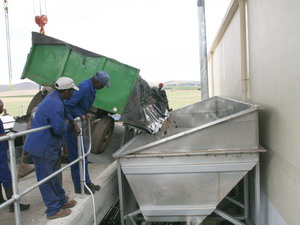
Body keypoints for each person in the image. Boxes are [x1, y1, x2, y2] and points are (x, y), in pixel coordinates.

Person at [23, 77, 79, 219]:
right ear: (65, 91)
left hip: (48, 145)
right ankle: (53, 210)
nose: (73, 93)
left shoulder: (55, 97)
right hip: (42, 147)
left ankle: (61, 200)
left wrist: (72, 121)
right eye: (72, 91)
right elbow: (58, 129)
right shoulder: (55, 104)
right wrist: (68, 124)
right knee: (46, 179)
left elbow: (64, 111)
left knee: (53, 176)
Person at [64, 71, 110, 195]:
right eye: (103, 85)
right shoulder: (84, 87)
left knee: (83, 155)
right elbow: (68, 104)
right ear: (98, 82)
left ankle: (87, 182)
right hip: (72, 127)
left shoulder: (91, 87)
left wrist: (84, 113)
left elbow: (77, 105)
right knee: (76, 157)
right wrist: (80, 115)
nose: (102, 88)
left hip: (78, 125)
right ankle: (79, 186)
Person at [0, 99, 30, 212]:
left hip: (1, 151)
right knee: (6, 178)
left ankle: (1, 201)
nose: (3, 108)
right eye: (2, 106)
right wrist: (13, 133)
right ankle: (13, 205)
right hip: (0, 153)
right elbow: (2, 135)